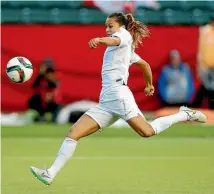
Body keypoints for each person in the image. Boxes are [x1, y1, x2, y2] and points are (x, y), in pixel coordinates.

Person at [30, 12, 207, 185]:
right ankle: (50, 173)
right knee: (73, 133)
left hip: (119, 96)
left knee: (147, 132)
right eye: (106, 26)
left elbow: (115, 40)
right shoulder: (123, 47)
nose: (107, 29)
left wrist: (99, 40)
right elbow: (144, 65)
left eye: (110, 26)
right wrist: (148, 84)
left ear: (121, 26)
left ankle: (184, 114)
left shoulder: (123, 36)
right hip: (107, 101)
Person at [192, 16, 214, 109]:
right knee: (207, 87)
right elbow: (201, 49)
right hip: (206, 65)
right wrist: (200, 66)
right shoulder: (205, 31)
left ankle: (209, 107)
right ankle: (199, 106)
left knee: (210, 88)